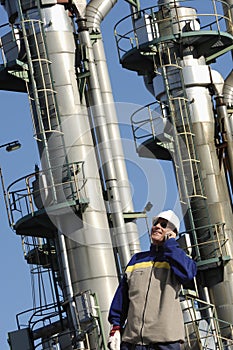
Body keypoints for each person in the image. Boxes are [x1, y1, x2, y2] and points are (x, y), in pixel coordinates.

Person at [108, 210, 197, 350]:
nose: (157, 226)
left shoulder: (176, 259)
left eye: (163, 225)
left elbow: (188, 274)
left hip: (165, 343)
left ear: (172, 233)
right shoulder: (137, 260)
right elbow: (122, 297)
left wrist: (171, 245)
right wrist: (116, 327)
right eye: (156, 223)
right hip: (132, 343)